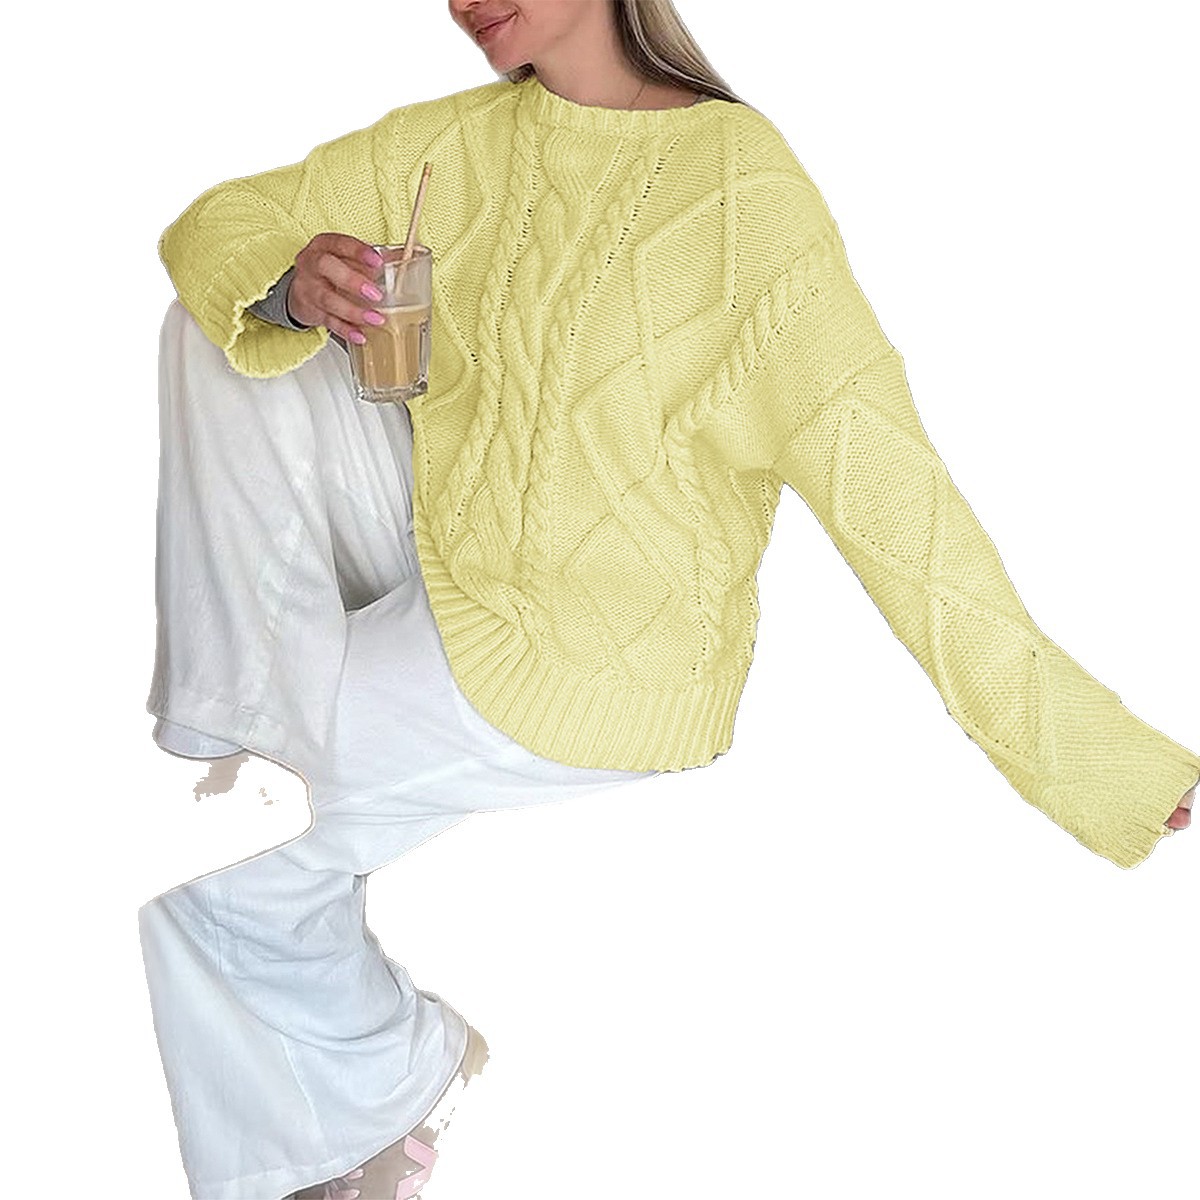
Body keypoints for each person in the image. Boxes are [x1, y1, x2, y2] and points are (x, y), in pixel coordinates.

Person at [138, 2, 1198, 1198]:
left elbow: (898, 503)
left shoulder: (741, 194)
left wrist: (1089, 757)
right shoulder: (449, 146)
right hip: (451, 563)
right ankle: (239, 743)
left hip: (603, 654)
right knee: (217, 323)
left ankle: (375, 1047)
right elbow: (216, 222)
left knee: (203, 854)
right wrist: (293, 289)